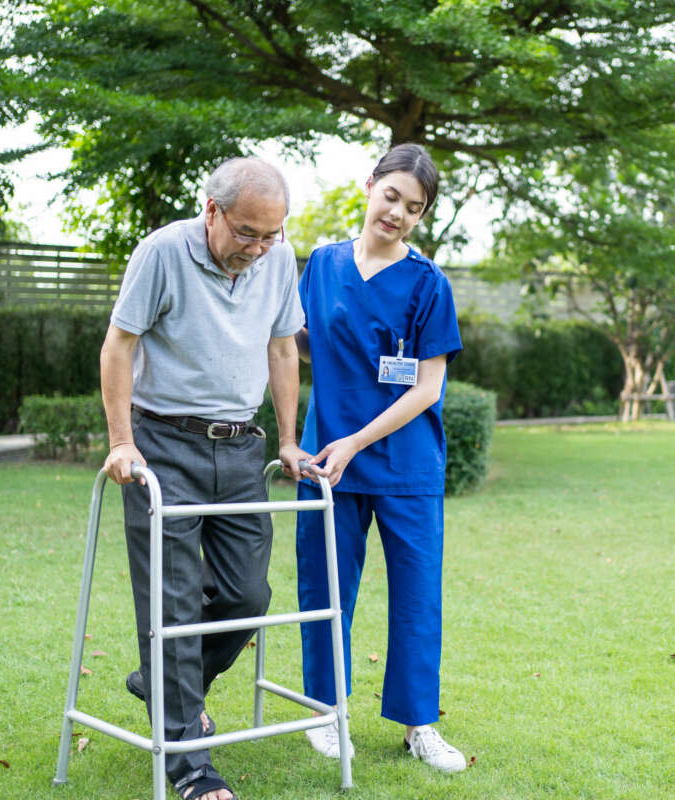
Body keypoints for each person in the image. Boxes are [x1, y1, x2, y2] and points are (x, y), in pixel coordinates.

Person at [100, 157, 311, 800]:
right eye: (247, 232)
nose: (259, 248)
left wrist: (289, 440)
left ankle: (160, 682)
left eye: (270, 235)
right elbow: (119, 346)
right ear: (213, 211)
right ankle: (191, 766)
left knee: (249, 595)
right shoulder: (162, 252)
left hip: (240, 449)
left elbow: (281, 349)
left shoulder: (277, 257)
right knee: (171, 597)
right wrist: (121, 442)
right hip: (162, 445)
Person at [294, 143, 467, 773]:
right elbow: (306, 347)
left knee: (417, 595)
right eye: (392, 195)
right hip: (325, 462)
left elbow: (427, 387)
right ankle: (324, 712)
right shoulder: (321, 265)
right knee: (324, 588)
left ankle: (421, 725)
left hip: (403, 465)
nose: (397, 213)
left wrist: (357, 441)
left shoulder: (428, 284)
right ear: (369, 185)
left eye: (414, 208)